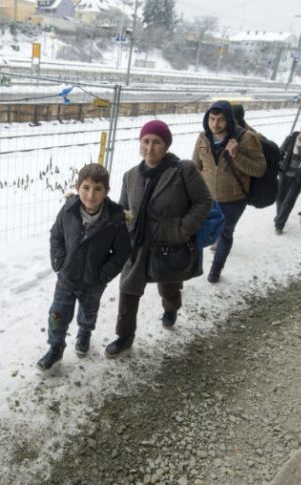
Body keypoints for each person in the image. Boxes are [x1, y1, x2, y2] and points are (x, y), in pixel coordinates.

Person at [105, 120, 212, 357]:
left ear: (166, 145)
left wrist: (182, 229)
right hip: (138, 244)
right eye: (145, 141)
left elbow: (204, 201)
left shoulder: (182, 170)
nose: (149, 148)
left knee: (169, 288)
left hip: (169, 243)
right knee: (128, 289)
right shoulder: (130, 176)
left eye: (156, 142)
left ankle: (171, 308)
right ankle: (124, 336)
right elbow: (124, 209)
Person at [37, 164, 131, 370]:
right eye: (86, 188)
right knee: (57, 315)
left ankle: (85, 333)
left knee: (88, 313)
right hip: (67, 277)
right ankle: (55, 347)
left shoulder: (114, 219)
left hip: (93, 282)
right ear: (78, 187)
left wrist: (103, 275)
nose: (91, 195)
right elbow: (56, 235)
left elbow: (122, 252)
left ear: (107, 191)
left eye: (98, 189)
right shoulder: (69, 209)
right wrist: (59, 263)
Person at [192, 100, 266, 283]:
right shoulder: (203, 139)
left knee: (225, 234)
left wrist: (236, 155)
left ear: (230, 120)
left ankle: (216, 269)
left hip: (233, 200)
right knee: (197, 233)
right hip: (206, 198)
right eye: (212, 119)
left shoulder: (247, 139)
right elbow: (196, 165)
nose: (215, 124)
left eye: (221, 120)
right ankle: (192, 268)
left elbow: (259, 169)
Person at [274, 121, 301, 234]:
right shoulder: (291, 138)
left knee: (288, 202)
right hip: (284, 173)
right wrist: (280, 164)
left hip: (298, 178)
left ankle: (279, 225)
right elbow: (280, 151)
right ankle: (280, 216)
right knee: (280, 198)